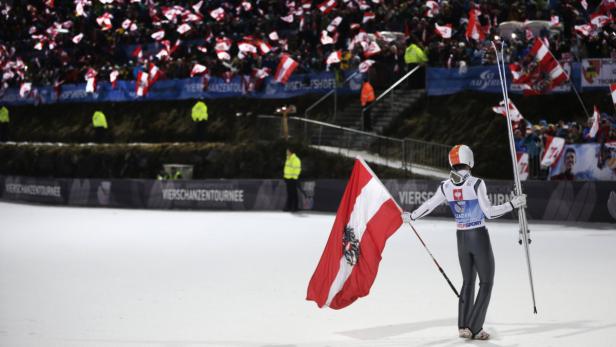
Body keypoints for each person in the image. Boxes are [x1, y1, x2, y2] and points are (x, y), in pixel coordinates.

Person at [402, 144, 526, 341]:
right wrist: (513, 204)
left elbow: (429, 205)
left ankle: (463, 326)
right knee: (486, 282)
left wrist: (412, 216)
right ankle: (476, 328)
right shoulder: (476, 183)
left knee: (468, 281)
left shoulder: (446, 185)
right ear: (470, 161)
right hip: (477, 235)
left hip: (461, 238)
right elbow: (489, 213)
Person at [283, 147, 302, 212]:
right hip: (288, 179)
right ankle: (288, 207)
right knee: (289, 193)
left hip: (293, 179)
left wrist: (294, 177)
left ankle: (295, 207)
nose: (286, 152)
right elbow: (287, 169)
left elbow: (297, 169)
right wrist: (286, 177)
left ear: (291, 152)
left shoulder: (296, 159)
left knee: (294, 193)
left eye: (287, 151)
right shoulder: (288, 159)